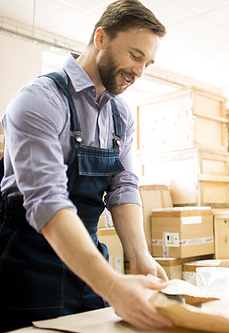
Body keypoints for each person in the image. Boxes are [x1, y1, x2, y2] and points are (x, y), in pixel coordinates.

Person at [0, 0, 175, 330]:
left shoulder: (121, 115)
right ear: (101, 39)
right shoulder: (39, 100)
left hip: (89, 264)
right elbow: (47, 202)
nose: (139, 72)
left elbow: (123, 189)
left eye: (148, 63)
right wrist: (110, 284)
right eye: (136, 56)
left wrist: (139, 256)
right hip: (30, 266)